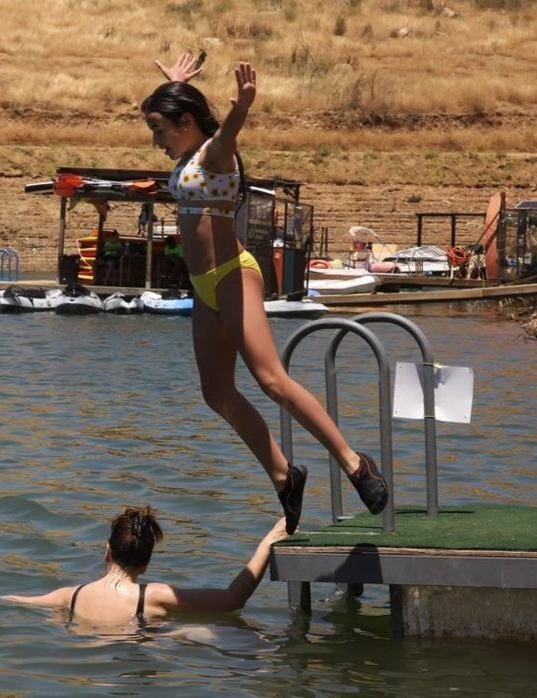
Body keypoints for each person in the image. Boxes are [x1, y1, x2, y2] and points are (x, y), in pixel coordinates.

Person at [143, 54, 387, 534]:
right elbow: (193, 123)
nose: (156, 142)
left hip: (234, 274)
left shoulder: (216, 151)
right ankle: (284, 474)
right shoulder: (192, 154)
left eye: (160, 130)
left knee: (271, 380)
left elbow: (228, 131)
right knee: (217, 393)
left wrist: (243, 106)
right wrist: (174, 86)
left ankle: (355, 463)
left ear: (187, 123)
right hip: (203, 287)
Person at [2, 506, 287, 625]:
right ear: (146, 564)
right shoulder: (154, 597)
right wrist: (272, 537)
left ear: (107, 552)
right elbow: (233, 599)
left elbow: (17, 601)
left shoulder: (70, 596)